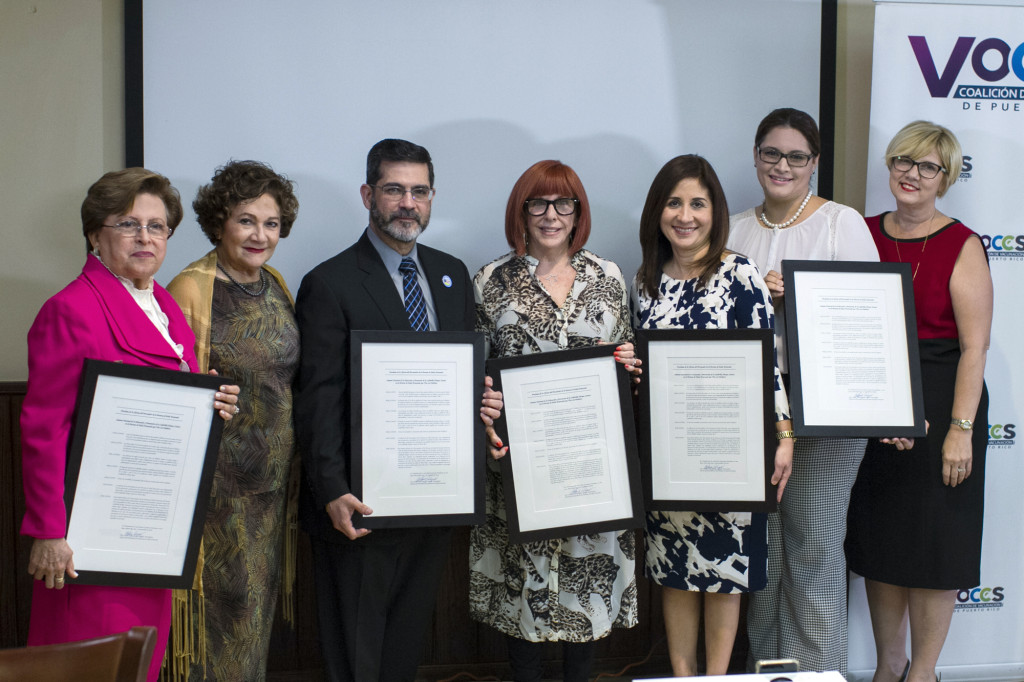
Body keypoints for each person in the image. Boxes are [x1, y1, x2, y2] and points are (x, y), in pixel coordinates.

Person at [293, 138, 504, 682]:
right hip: (360, 504)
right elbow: (318, 397)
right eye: (394, 190)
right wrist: (332, 490)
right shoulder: (329, 282)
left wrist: (481, 404)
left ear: (431, 197)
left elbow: (461, 377)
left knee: (405, 646)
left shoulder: (452, 274)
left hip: (435, 496)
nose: (408, 203)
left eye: (419, 191)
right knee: (358, 652)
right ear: (368, 195)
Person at [20, 168, 239, 682]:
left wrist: (211, 405)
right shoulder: (69, 310)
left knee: (139, 665)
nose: (145, 237)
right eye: (128, 224)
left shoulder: (164, 306)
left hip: (152, 529)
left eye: (157, 226)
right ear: (95, 234)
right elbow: (43, 430)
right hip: (87, 542)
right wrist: (49, 531)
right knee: (90, 665)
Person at [469, 160, 642, 682]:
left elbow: (626, 362)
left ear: (577, 212)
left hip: (593, 473)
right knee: (523, 607)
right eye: (538, 203)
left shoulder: (608, 277)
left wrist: (630, 365)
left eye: (563, 203)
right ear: (521, 212)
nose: (551, 214)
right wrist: (485, 411)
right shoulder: (490, 282)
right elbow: (476, 375)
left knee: (586, 608)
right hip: (522, 474)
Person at [727, 107, 879, 675]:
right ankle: (769, 670)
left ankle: (817, 673)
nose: (782, 166)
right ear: (756, 155)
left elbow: (865, 318)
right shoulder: (733, 229)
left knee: (814, 545)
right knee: (761, 551)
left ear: (814, 162)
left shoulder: (842, 223)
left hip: (825, 405)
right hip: (752, 404)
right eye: (772, 153)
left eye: (796, 156)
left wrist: (797, 296)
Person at [631, 155, 794, 676]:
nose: (685, 216)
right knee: (675, 571)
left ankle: (718, 679)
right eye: (673, 203)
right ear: (657, 211)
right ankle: (684, 678)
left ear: (714, 211)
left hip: (732, 454)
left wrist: (783, 435)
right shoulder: (644, 281)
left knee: (726, 574)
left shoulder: (740, 273)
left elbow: (767, 363)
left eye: (697, 204)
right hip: (669, 455)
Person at [845, 121, 991, 682]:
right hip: (875, 401)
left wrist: (960, 430)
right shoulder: (860, 233)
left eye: (928, 166)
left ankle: (924, 673)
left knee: (935, 546)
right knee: (883, 540)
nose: (912, 174)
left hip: (945, 400)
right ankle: (890, 667)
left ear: (945, 178)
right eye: (903, 161)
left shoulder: (962, 244)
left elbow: (974, 347)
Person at [166, 160, 300, 680]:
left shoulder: (275, 284)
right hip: (217, 493)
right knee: (217, 617)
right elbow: (171, 391)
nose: (259, 235)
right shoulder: (190, 289)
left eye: (271, 223)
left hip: (270, 488)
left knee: (254, 615)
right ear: (219, 221)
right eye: (246, 221)